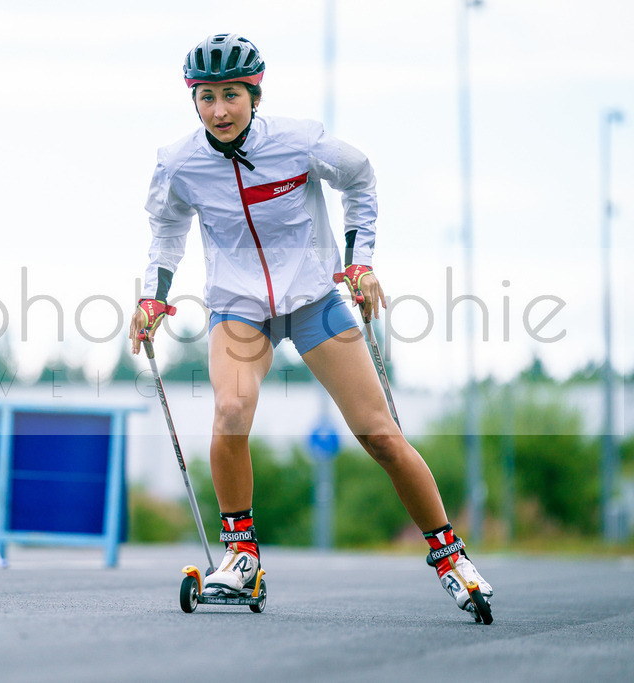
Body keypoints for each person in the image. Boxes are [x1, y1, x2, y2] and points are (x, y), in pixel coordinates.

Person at [128, 33, 493, 621]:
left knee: (378, 433)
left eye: (232, 95)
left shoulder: (299, 141)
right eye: (207, 97)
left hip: (313, 297)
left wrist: (360, 261)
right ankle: (241, 557)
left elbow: (361, 179)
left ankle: (451, 557)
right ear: (192, 99)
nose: (219, 110)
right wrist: (153, 298)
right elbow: (166, 230)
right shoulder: (178, 162)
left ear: (255, 93)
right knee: (229, 411)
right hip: (239, 307)